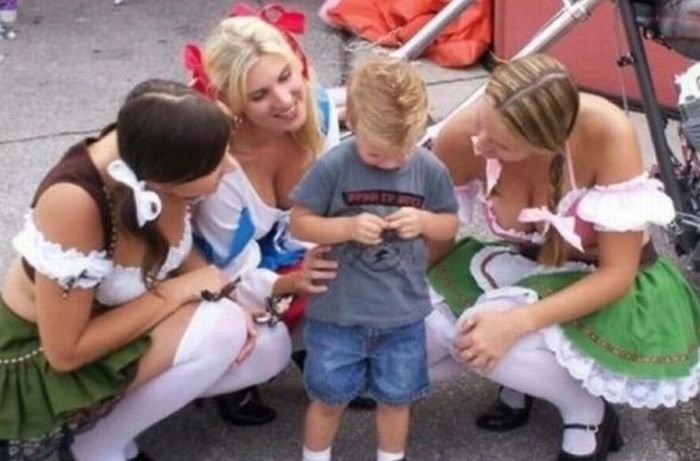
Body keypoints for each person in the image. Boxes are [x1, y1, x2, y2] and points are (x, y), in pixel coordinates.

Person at [426, 53, 700, 460]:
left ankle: (587, 413)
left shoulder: (607, 132)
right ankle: (522, 378)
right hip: (531, 271)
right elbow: (436, 234)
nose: (478, 144)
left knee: (484, 333)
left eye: (499, 144)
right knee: (428, 334)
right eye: (481, 122)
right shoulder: (465, 135)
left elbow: (616, 275)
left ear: (549, 144)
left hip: (610, 289)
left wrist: (513, 324)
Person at [0, 79, 290, 461]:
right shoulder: (73, 203)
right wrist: (181, 291)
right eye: (216, 163)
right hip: (40, 358)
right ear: (167, 178)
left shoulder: (157, 147)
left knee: (269, 346)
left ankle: (112, 424)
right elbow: (64, 353)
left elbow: (179, 254)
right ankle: (96, 446)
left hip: (122, 321)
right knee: (223, 326)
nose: (231, 167)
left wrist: (221, 294)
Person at [184, 7, 355, 427]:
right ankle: (234, 375)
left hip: (291, 248)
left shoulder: (319, 109)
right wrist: (293, 282)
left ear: (298, 62)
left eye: (285, 76)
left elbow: (325, 205)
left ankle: (313, 347)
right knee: (265, 349)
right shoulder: (224, 167)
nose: (283, 100)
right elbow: (226, 271)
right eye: (259, 95)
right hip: (218, 275)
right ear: (230, 101)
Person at [290, 56, 459, 461]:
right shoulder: (335, 165)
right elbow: (300, 222)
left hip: (402, 314)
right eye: (378, 154)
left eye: (402, 152)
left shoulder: (429, 168)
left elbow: (449, 225)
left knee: (397, 400)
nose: (392, 163)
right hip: (338, 314)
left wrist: (423, 221)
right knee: (328, 399)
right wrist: (344, 229)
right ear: (352, 123)